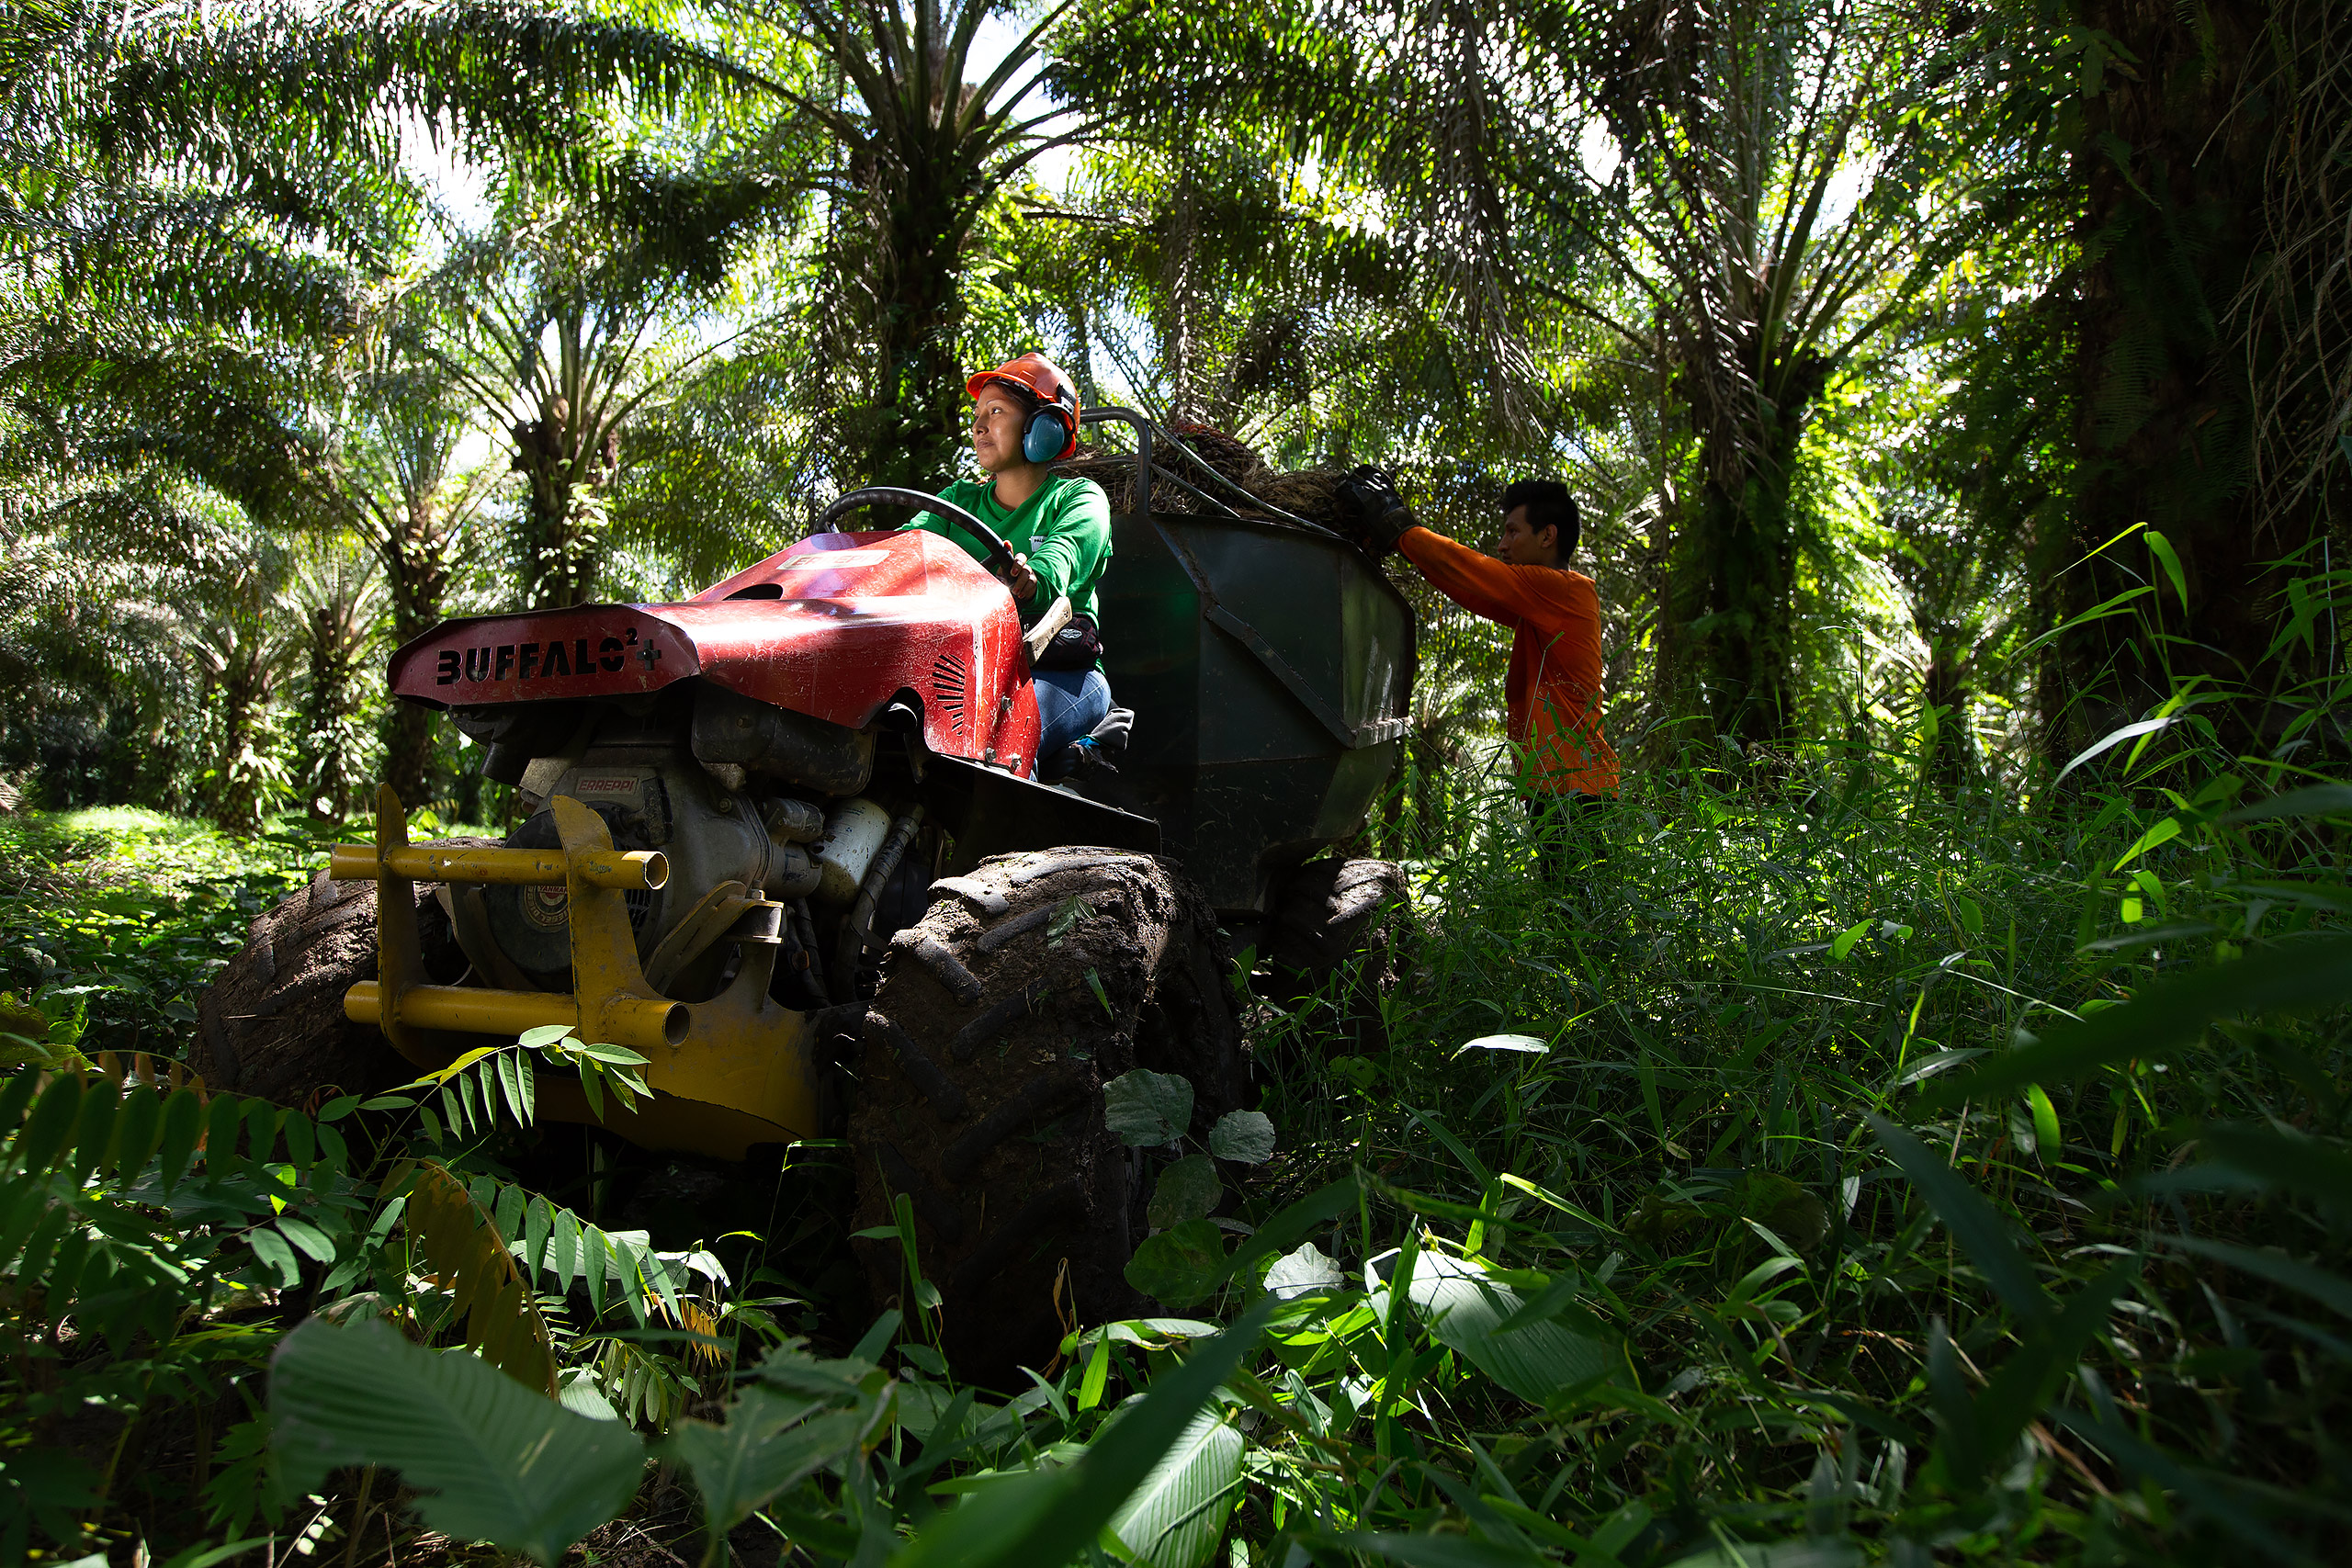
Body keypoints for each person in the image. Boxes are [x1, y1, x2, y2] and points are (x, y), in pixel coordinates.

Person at [1336, 470, 1618, 869]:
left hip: (1576, 790)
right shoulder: (1540, 604)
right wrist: (1405, 542)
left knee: (1583, 917)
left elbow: (1473, 570)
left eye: (1511, 532)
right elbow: (1470, 586)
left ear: (1547, 536)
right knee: (1572, 915)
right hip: (1561, 787)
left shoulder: (1565, 590)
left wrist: (1397, 521)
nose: (1501, 545)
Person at [901, 353, 1114, 777]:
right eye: (977, 414)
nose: (979, 426)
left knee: (999, 740)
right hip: (963, 671)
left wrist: (1033, 577)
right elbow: (903, 550)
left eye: (996, 411)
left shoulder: (1079, 498)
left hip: (1059, 672)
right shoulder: (954, 503)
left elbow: (1063, 556)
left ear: (1044, 430)